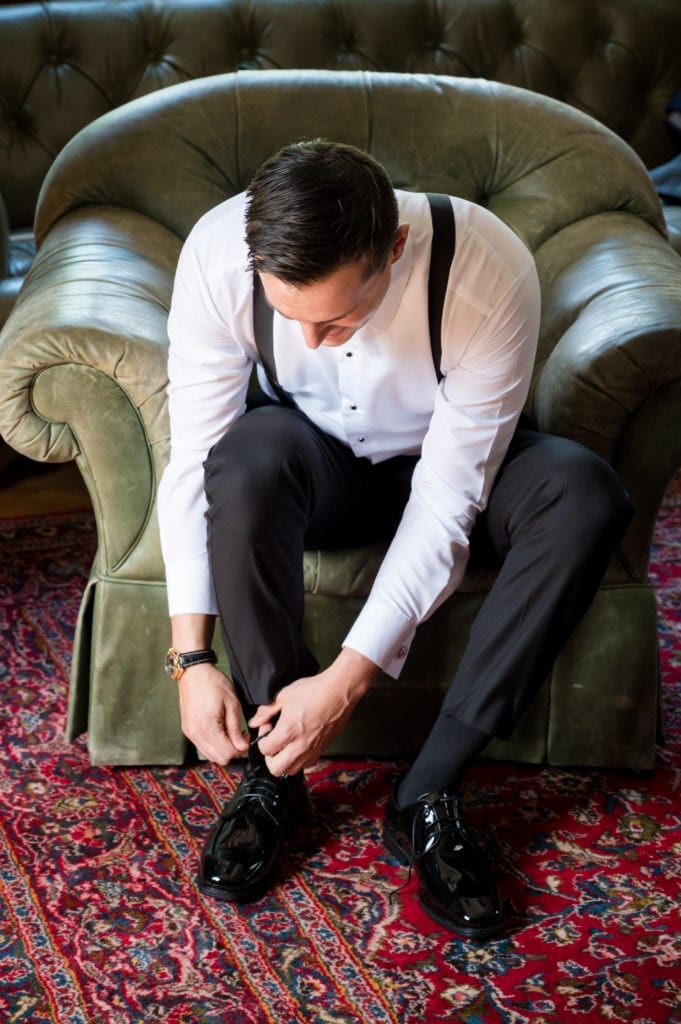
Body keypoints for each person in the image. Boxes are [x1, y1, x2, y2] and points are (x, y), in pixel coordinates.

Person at [157, 139, 631, 940]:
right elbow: (191, 464)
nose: (310, 343)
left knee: (583, 493)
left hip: (456, 465)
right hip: (318, 464)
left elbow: (447, 501)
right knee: (241, 459)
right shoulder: (215, 255)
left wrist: (347, 679)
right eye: (287, 317)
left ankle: (429, 791)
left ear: (395, 250)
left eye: (336, 318)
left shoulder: (484, 265)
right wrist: (191, 661)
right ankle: (275, 772)